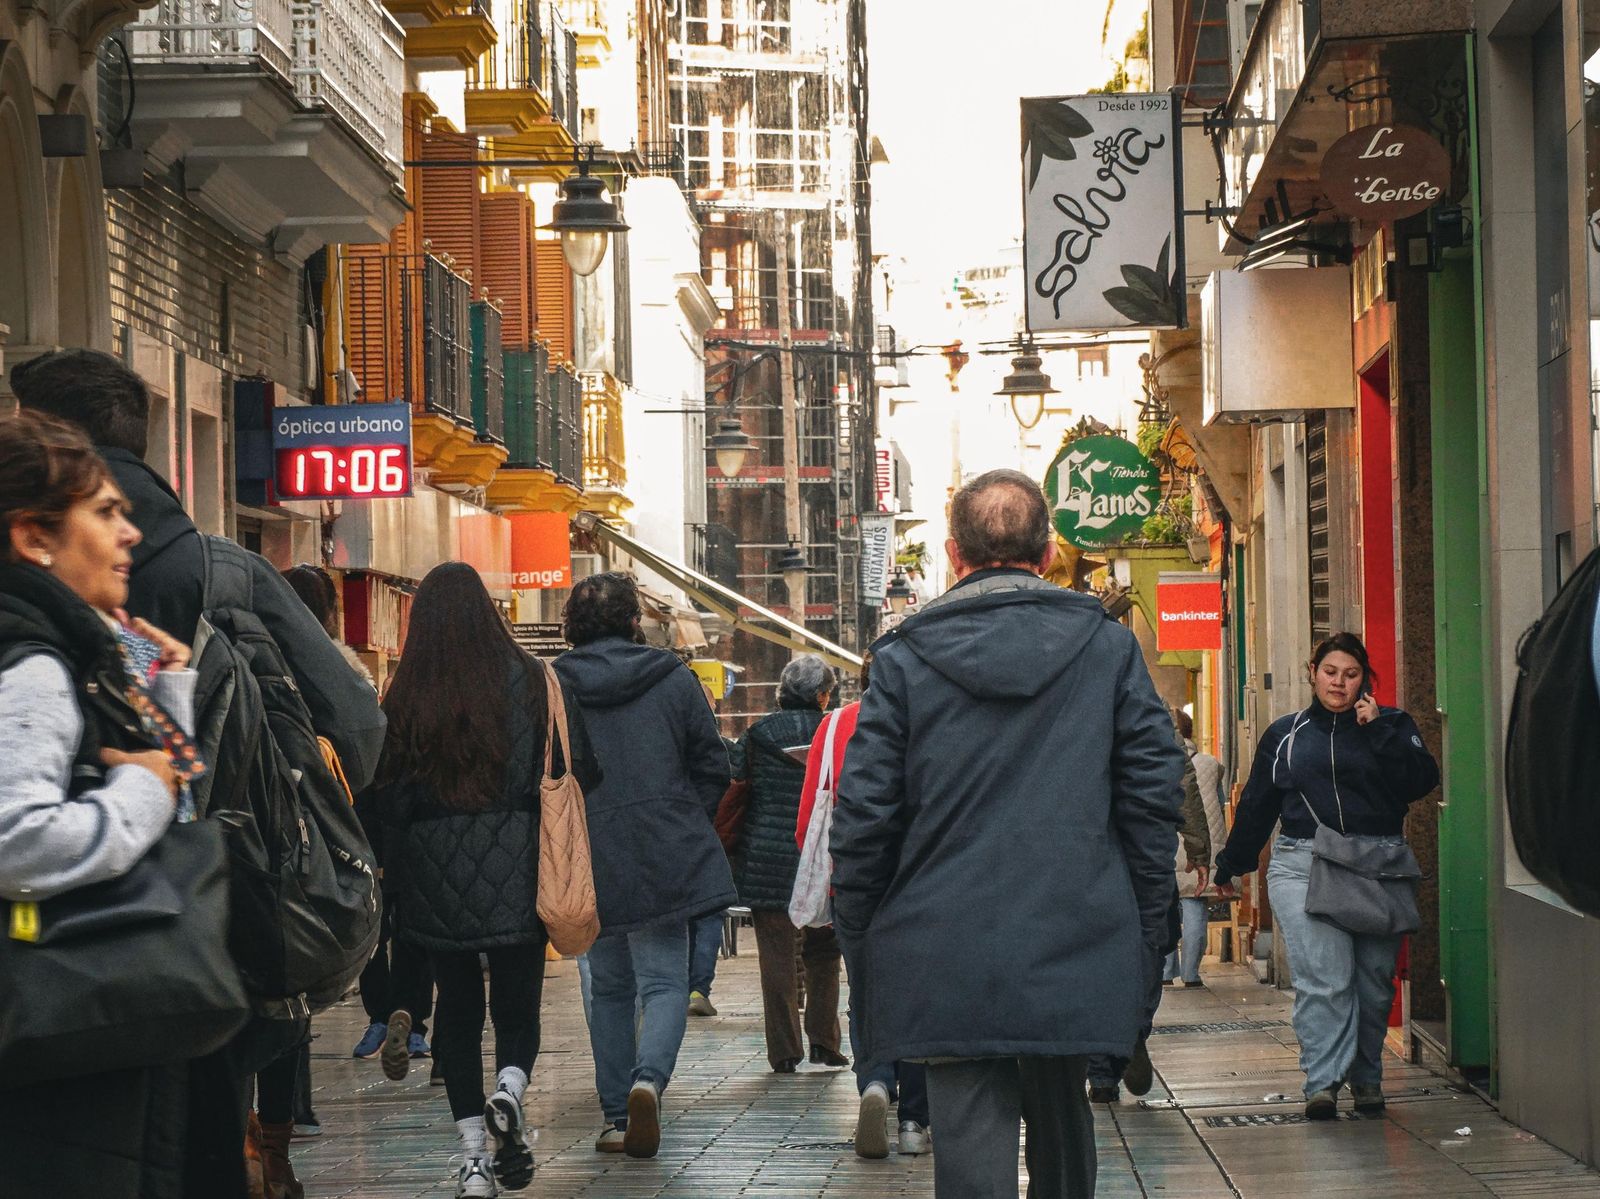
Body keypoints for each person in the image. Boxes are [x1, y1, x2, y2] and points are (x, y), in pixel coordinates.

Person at [11, 349, 387, 1199]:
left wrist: (173, 716)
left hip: (104, 943)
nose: (130, 532)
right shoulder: (193, 577)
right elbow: (360, 726)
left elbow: (153, 750)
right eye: (110, 513)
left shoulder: (94, 619)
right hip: (185, 920)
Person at [831, 469, 1184, 1199]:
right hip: (1075, 926)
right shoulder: (1107, 649)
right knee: (1063, 1112)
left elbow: (864, 816)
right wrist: (1151, 919)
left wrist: (862, 934)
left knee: (967, 1134)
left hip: (941, 936)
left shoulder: (901, 661)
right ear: (1050, 551)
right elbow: (1153, 795)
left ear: (955, 556)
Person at [0, 411, 202, 1196]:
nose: (131, 535)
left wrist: (166, 686)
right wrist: (138, 792)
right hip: (59, 1033)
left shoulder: (87, 646)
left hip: (75, 1031)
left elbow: (176, 790)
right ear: (34, 538)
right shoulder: (34, 663)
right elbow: (16, 838)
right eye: (107, 512)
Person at [372, 562, 600, 1198]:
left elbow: (385, 794)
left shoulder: (406, 691)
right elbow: (582, 766)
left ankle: (474, 1161)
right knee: (518, 1004)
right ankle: (511, 1090)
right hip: (520, 860)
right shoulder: (534, 680)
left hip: (433, 873)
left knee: (459, 1012)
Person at [1214, 633, 1439, 1121]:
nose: (1339, 682)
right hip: (1304, 864)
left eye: (1351, 673)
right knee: (1325, 977)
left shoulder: (1393, 725)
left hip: (1377, 866)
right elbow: (1257, 805)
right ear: (1312, 671)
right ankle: (1322, 1084)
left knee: (1374, 983)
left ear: (1365, 679)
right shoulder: (1285, 734)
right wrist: (1231, 865)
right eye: (1330, 671)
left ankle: (1366, 1079)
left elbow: (1420, 782)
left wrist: (1377, 731)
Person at [554, 574, 735, 1158]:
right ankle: (647, 1081)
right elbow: (713, 761)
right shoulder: (672, 678)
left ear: (570, 625)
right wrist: (686, 817)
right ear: (637, 621)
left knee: (608, 987)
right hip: (664, 846)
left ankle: (614, 1117)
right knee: (664, 983)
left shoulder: (552, 685)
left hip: (588, 851)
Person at [794, 652, 930, 1159]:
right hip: (917, 880)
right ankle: (915, 1120)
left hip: (850, 878)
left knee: (866, 988)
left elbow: (809, 815)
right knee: (915, 994)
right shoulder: (928, 719)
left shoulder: (833, 726)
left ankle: (874, 1080)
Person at [735, 654, 846, 1074]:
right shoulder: (832, 731)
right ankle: (825, 1042)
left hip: (769, 858)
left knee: (777, 958)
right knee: (825, 950)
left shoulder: (758, 734)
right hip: (822, 857)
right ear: (821, 695)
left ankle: (784, 1051)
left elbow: (734, 783)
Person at [1166, 709, 1227, 989]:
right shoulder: (1210, 764)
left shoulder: (1158, 754)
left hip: (1167, 843)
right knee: (1194, 909)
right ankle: (1191, 973)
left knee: (1163, 909)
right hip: (1197, 844)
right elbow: (1219, 805)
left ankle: (1165, 972)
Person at [687, 678, 736, 1018]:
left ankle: (678, 988)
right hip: (713, 843)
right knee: (707, 918)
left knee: (686, 918)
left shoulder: (664, 745)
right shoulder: (724, 750)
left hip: (675, 842)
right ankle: (697, 989)